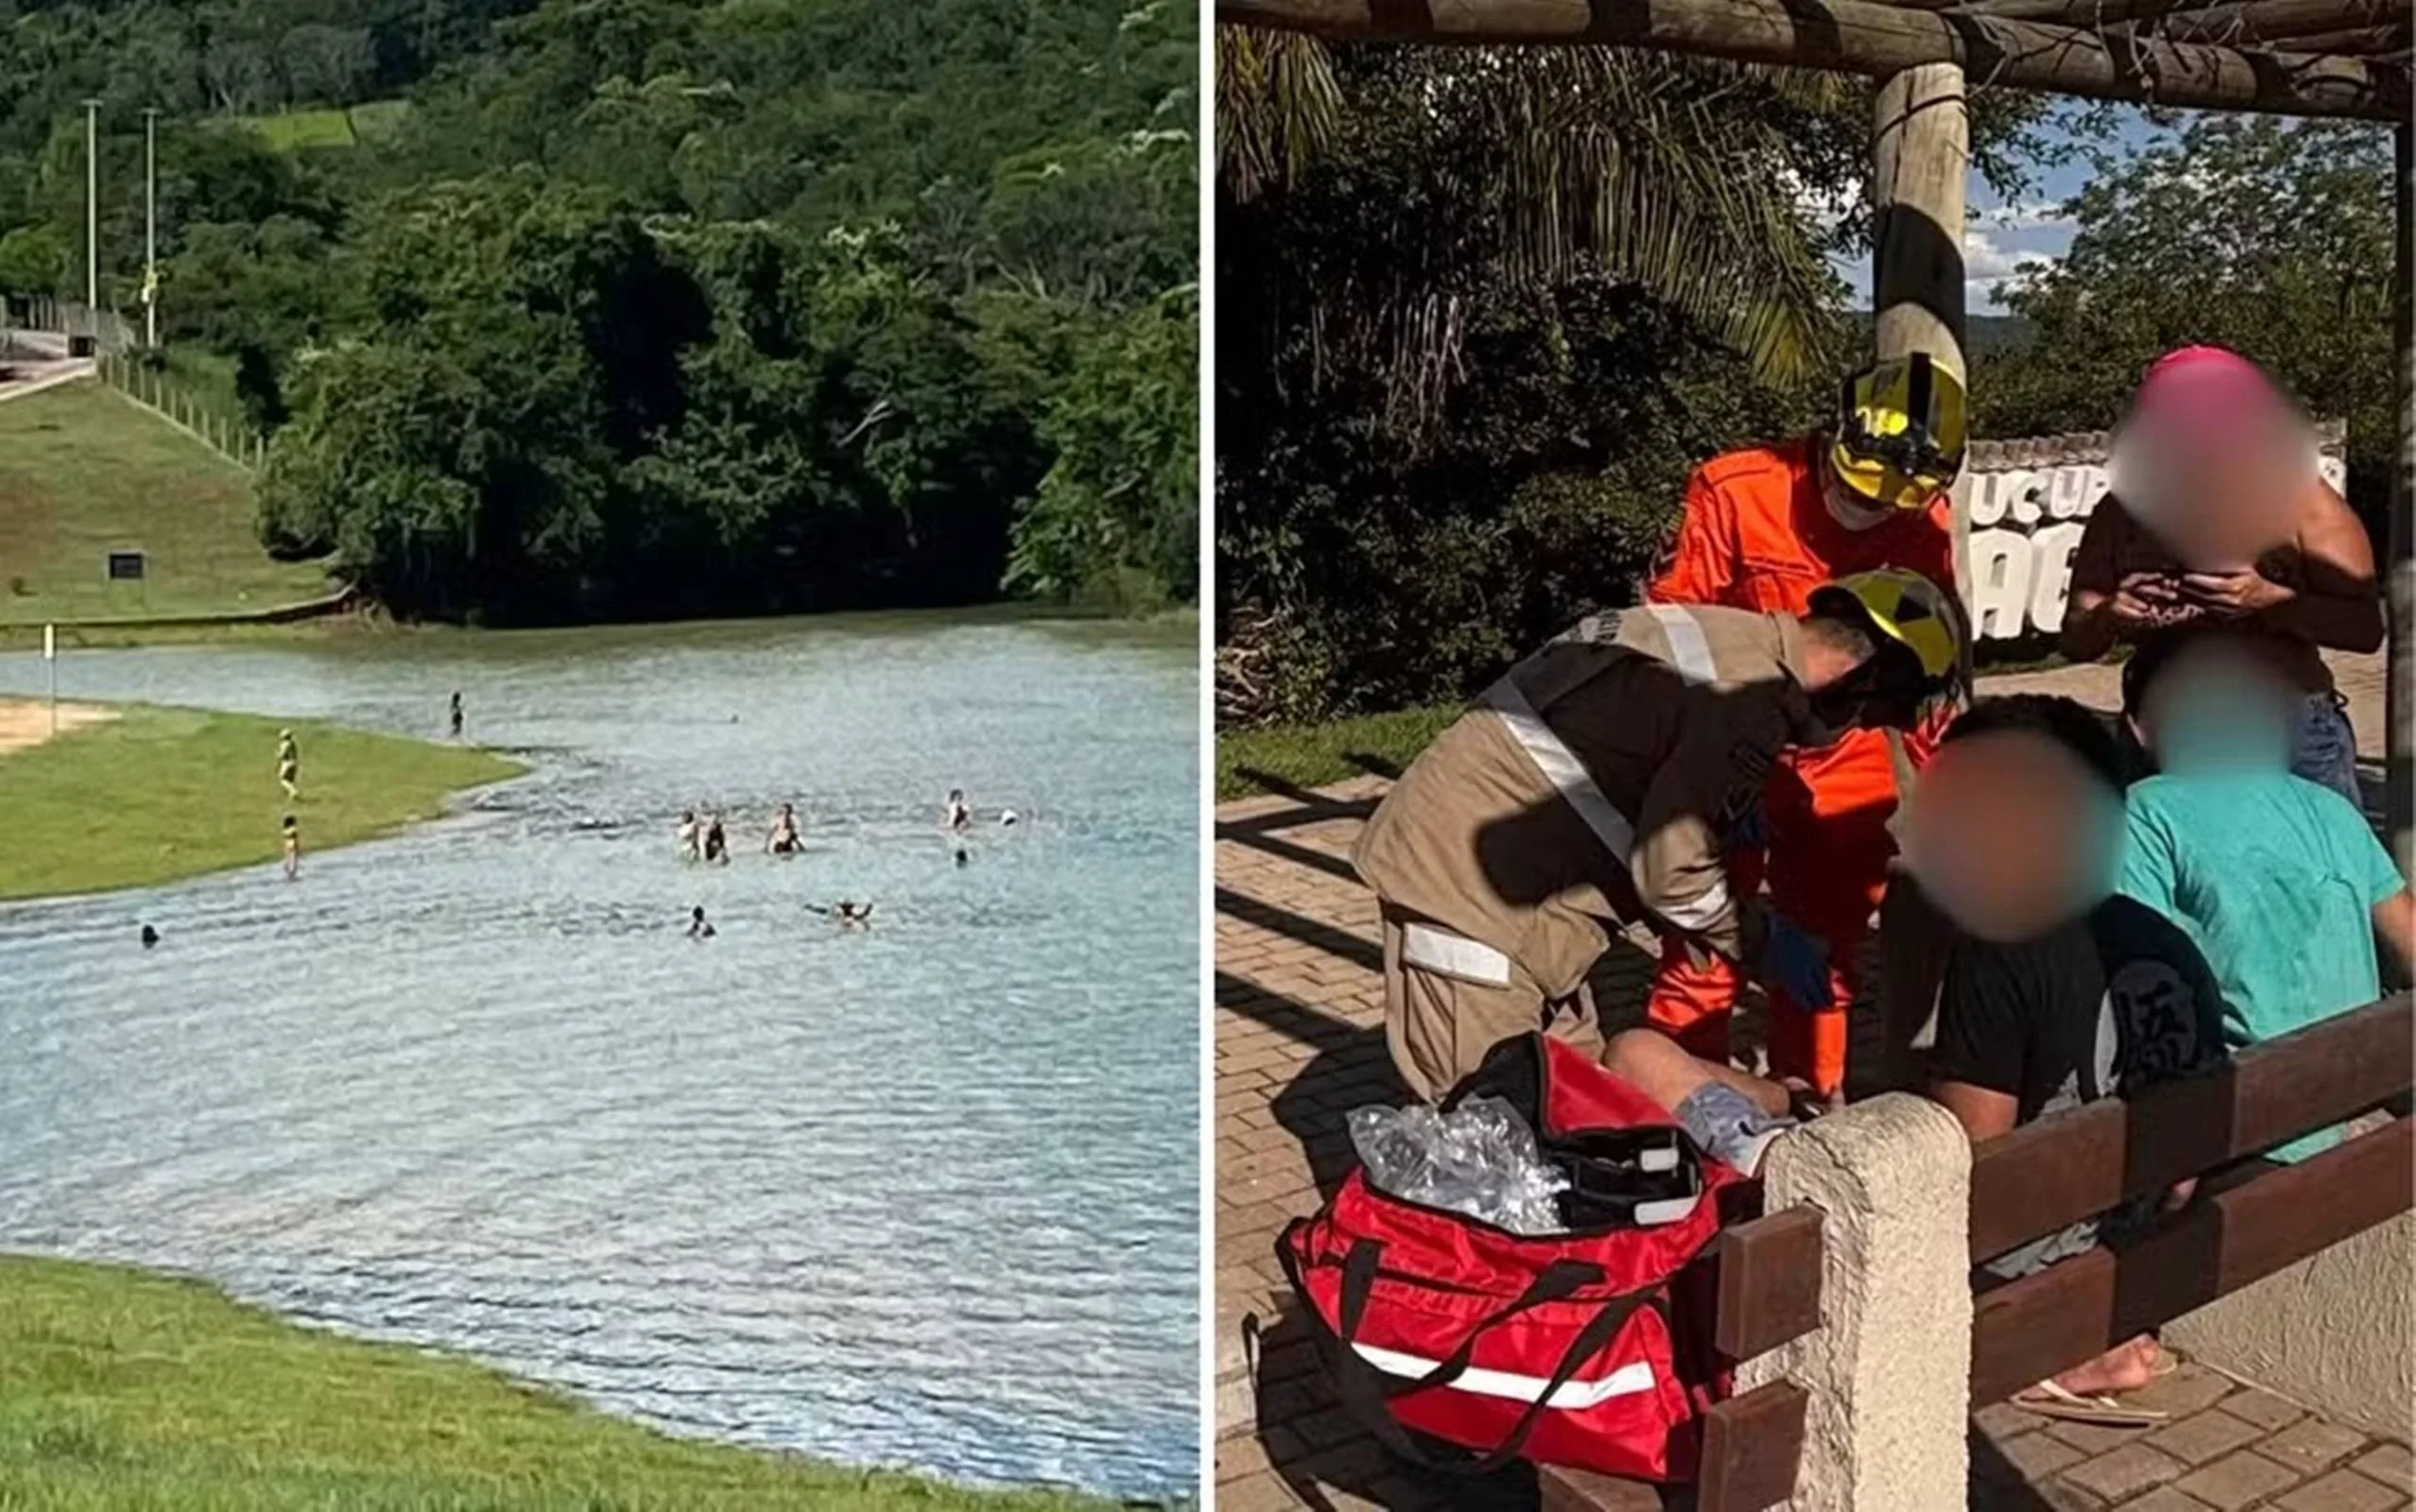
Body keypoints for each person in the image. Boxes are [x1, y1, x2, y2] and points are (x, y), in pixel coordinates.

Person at [1353, 568, 1967, 1103]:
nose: (1855, 732)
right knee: (1494, 1130)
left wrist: (1719, 813)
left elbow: (1626, 750)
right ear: (1857, 678)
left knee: (1577, 1100)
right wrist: (1763, 942)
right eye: (1873, 715)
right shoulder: (1745, 703)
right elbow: (1672, 877)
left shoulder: (1727, 639)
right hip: (1473, 904)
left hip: (1512, 897)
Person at [1644, 353, 1965, 1097]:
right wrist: (1702, 766)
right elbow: (1671, 637)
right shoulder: (1735, 489)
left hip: (1845, 756)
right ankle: (1672, 1114)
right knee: (1700, 950)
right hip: (1726, 744)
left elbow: (1925, 667)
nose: (1865, 511)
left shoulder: (1925, 523)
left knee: (1823, 961)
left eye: (1887, 506)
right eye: (1853, 490)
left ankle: (1807, 1110)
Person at [1913, 694, 2228, 1420]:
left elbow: (1975, 1167)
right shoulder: (2161, 937)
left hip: (2033, 1266)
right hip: (2141, 1235)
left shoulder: (1999, 950)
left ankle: (2065, 1350)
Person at [2115, 632, 2413, 1163]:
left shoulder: (2145, 813)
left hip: (2246, 1129)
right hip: (2354, 1109)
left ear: (2140, 728)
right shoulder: (2333, 809)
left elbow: (2135, 982)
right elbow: (2409, 941)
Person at [2061, 347, 2383, 812]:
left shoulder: (2304, 502)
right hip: (2165, 731)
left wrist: (2270, 601)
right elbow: (2075, 637)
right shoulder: (2122, 512)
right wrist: (2110, 614)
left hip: (2288, 729)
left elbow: (2365, 630)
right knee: (2169, 880)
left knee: (2322, 880)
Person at [276, 730, 300, 801]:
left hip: (287, 763)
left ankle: (293, 791)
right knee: (290, 780)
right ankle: (290, 797)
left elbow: (283, 754)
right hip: (294, 763)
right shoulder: (293, 744)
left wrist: (278, 755)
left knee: (283, 780)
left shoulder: (285, 744)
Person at [281, 814, 301, 881]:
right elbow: (295, 838)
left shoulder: (284, 830)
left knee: (288, 859)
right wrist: (297, 847)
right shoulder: (293, 829)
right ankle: (292, 874)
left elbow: (285, 838)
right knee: (294, 860)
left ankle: (289, 873)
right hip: (292, 844)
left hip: (287, 844)